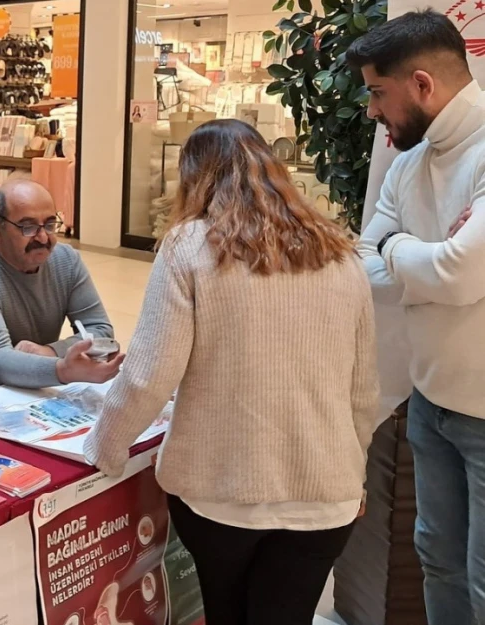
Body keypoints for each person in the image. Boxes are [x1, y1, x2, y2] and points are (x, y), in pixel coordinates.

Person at [83, 119, 378, 625]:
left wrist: (104, 448)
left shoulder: (189, 247)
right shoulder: (340, 254)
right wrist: (354, 470)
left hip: (221, 496)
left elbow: (149, 375)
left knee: (225, 611)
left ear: (194, 179)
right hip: (324, 499)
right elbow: (363, 391)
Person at [350, 10, 485, 623]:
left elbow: (459, 276)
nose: (372, 111)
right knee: (437, 559)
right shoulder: (408, 164)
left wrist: (399, 248)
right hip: (430, 402)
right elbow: (362, 262)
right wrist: (428, 262)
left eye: (380, 92)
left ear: (422, 84)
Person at [0, 179, 119, 404]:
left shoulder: (67, 261)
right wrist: (63, 369)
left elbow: (100, 329)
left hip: (20, 390)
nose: (43, 238)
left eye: (50, 224)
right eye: (29, 227)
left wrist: (51, 352)